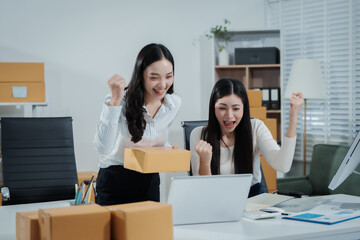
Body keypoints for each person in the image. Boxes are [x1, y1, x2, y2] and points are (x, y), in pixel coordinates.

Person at [93, 43, 181, 206]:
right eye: (154, 77)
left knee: (149, 231)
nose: (162, 84)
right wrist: (114, 102)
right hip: (115, 181)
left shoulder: (173, 104)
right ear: (141, 75)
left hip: (149, 181)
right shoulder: (119, 100)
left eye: (168, 76)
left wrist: (168, 150)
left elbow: (155, 140)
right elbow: (103, 148)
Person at [190, 78, 304, 197]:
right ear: (213, 108)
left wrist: (293, 119)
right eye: (222, 108)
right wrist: (205, 162)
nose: (229, 116)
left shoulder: (256, 127)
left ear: (244, 109)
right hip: (216, 198)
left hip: (252, 200)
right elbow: (203, 190)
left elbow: (283, 166)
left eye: (236, 108)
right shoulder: (198, 135)